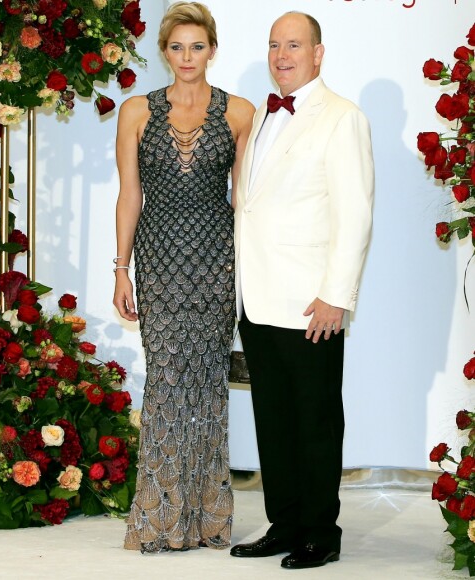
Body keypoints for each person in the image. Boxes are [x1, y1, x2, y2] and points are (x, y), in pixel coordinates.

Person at [230, 11, 374, 569]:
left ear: (318, 53)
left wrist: (337, 295)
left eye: (293, 45)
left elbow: (354, 213)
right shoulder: (265, 116)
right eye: (273, 46)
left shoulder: (342, 117)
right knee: (273, 419)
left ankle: (321, 533)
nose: (281, 55)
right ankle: (284, 523)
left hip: (312, 303)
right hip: (258, 299)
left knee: (315, 422)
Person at [113, 1, 255, 553]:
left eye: (197, 46)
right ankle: (160, 516)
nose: (187, 56)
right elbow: (130, 195)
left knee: (208, 385)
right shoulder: (136, 111)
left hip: (215, 262)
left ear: (212, 50)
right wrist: (120, 269)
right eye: (177, 47)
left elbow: (245, 202)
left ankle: (207, 518)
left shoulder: (241, 113)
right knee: (168, 379)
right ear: (165, 52)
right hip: (159, 260)